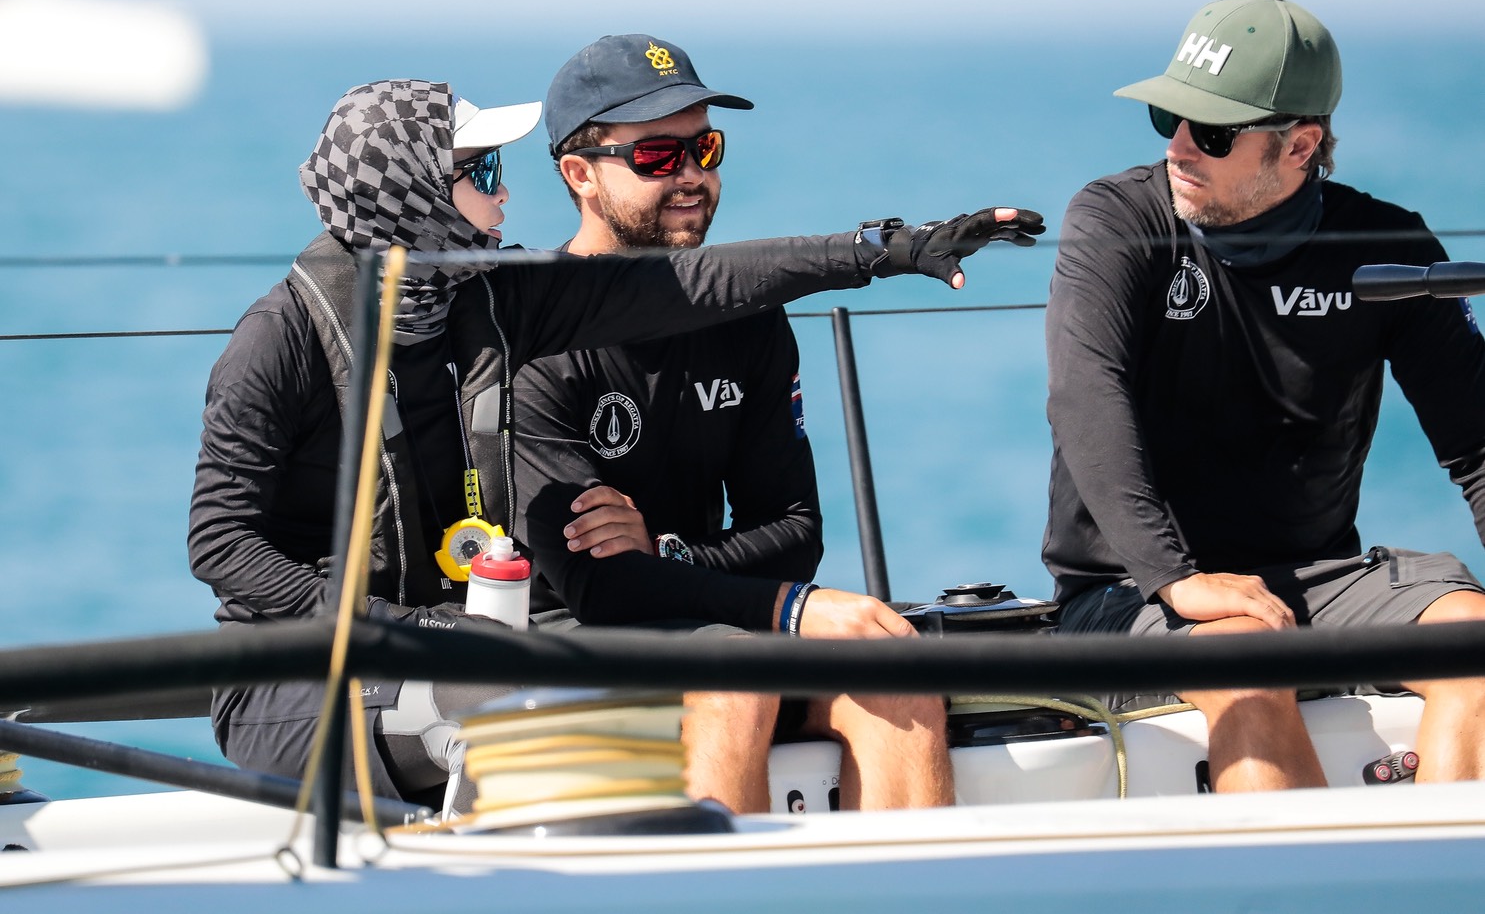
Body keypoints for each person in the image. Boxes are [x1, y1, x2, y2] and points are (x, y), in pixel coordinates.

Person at [188, 77, 1038, 817]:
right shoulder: (278, 340)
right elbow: (220, 543)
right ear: (413, 198)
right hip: (298, 675)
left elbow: (698, 283)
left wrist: (880, 250)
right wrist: (396, 628)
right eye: (482, 173)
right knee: (556, 698)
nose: (504, 197)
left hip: (454, 639)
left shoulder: (486, 301)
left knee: (745, 670)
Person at [512, 34, 1044, 812]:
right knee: (735, 675)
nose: (691, 176)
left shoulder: (746, 319)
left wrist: (670, 551)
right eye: (657, 156)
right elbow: (599, 587)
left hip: (717, 618)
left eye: (704, 148)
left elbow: (794, 530)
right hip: (575, 639)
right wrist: (787, 605)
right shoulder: (533, 336)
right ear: (579, 174)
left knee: (898, 674)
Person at [1042, 0, 1485, 793]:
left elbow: (1476, 443)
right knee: (1246, 656)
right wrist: (1176, 577)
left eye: (1212, 132)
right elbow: (1084, 393)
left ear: (1300, 145)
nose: (1179, 146)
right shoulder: (1113, 217)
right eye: (1169, 117)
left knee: (1472, 641)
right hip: (1130, 591)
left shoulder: (1383, 244)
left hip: (1315, 578)